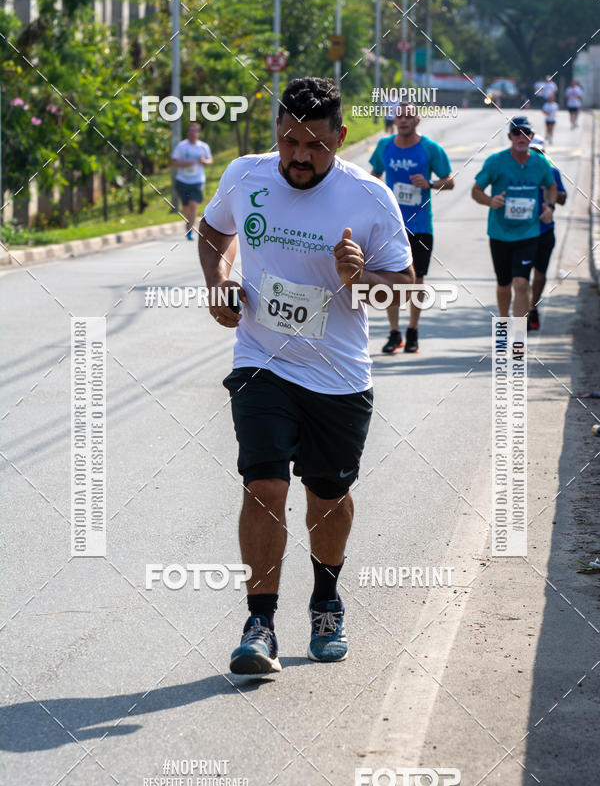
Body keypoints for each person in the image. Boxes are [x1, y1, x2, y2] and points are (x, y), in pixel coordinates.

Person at [198, 77, 414, 674]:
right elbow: (215, 230)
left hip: (338, 377)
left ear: (340, 138)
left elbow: (407, 286)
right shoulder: (246, 174)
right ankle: (259, 623)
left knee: (328, 497)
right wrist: (219, 277)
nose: (299, 155)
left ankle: (325, 599)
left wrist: (362, 276)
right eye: (289, 140)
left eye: (315, 145)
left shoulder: (368, 198)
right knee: (264, 487)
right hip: (261, 361)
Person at [369, 103, 454, 354]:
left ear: (417, 120)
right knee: (388, 278)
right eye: (399, 116)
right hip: (390, 225)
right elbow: (374, 175)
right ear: (394, 119)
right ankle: (394, 332)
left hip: (420, 225)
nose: (403, 120)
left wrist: (428, 183)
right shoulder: (384, 146)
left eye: (408, 116)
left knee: (417, 280)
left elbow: (449, 181)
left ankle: (413, 330)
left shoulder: (430, 148)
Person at [471, 115, 557, 318]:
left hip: (528, 233)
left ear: (532, 136)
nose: (521, 136)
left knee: (521, 283)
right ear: (510, 136)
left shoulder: (540, 162)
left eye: (526, 132)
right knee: (504, 284)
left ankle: (519, 336)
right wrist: (490, 201)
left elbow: (551, 186)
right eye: (516, 132)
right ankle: (503, 321)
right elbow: (476, 191)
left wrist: (550, 207)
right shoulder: (496, 162)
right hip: (500, 233)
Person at [528, 135, 567, 331]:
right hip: (523, 231)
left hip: (545, 230)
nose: (535, 155)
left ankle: (532, 307)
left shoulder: (551, 171)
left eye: (539, 152)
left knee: (540, 274)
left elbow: (563, 198)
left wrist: (550, 192)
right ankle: (523, 308)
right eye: (532, 151)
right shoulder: (521, 171)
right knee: (521, 276)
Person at [171, 123, 213, 240]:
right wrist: (185, 164)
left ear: (198, 133)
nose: (192, 133)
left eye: (195, 131)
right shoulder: (182, 146)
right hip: (182, 180)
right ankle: (189, 221)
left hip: (197, 180)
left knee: (193, 205)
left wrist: (204, 161)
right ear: (187, 133)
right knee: (186, 207)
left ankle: (190, 230)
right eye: (190, 131)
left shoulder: (203, 147)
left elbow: (210, 161)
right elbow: (174, 162)